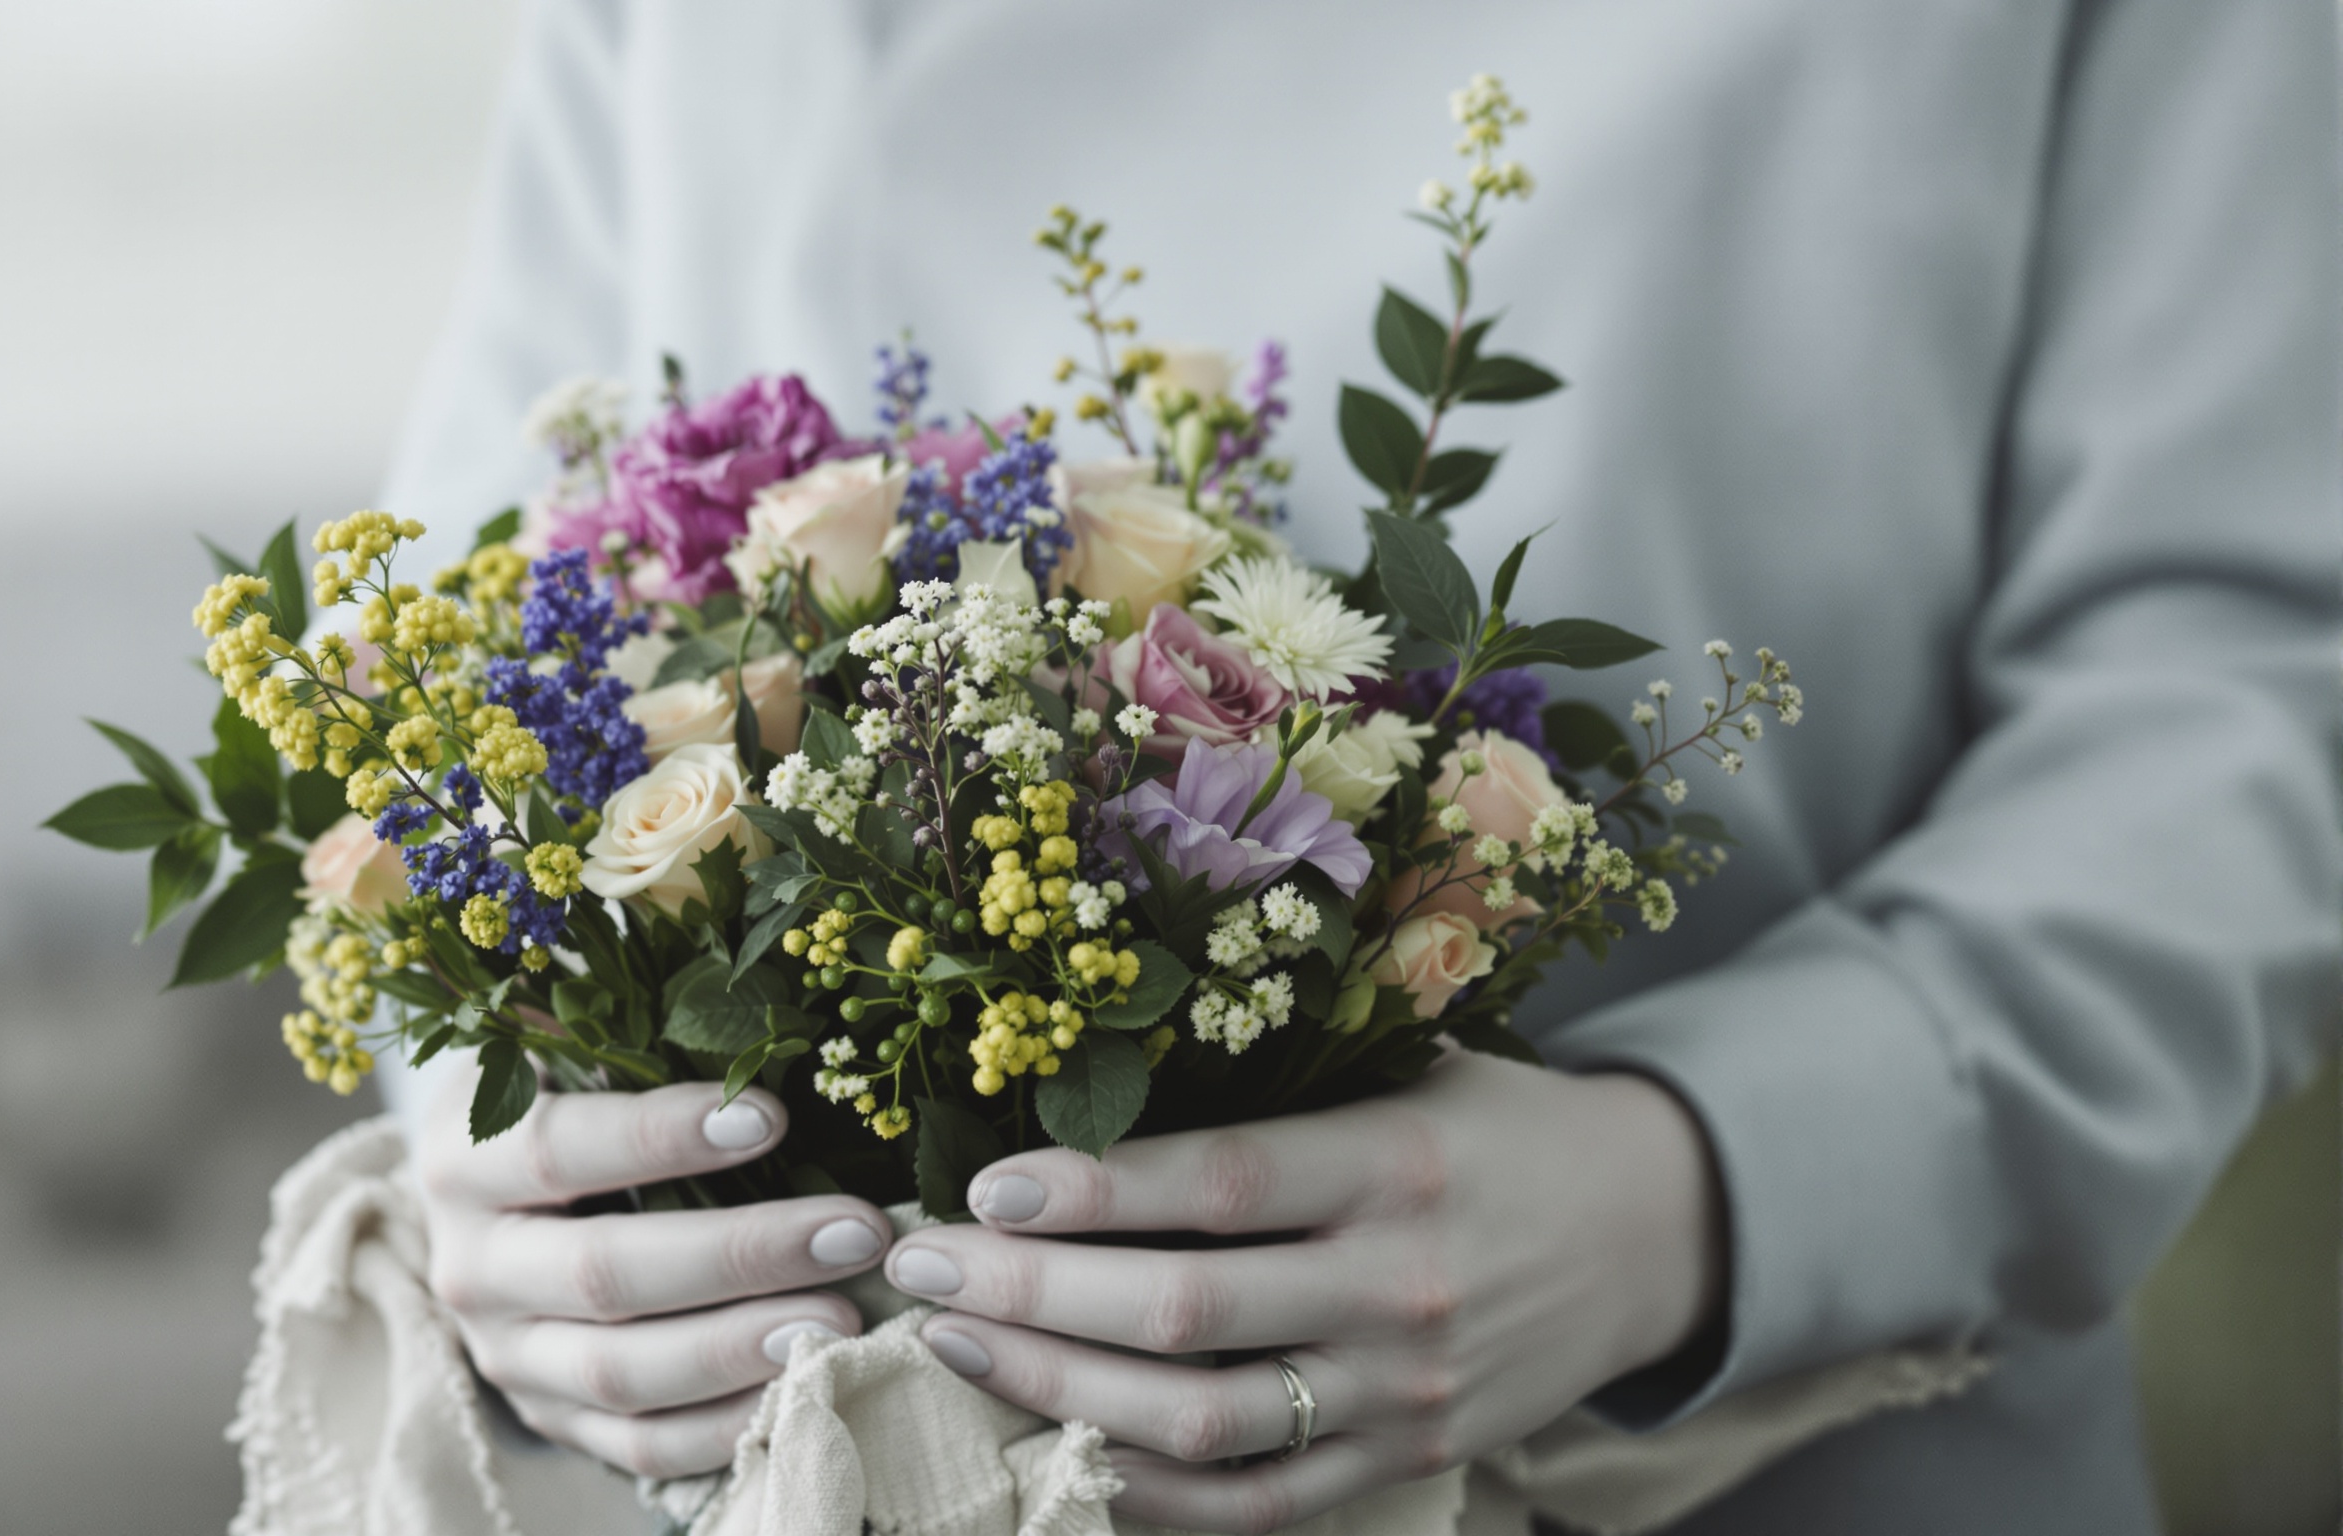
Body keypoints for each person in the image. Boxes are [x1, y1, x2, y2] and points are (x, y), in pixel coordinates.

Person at [374, 3, 2342, 1530]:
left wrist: (1713, 1183)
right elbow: (488, 628)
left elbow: (2238, 680)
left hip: (1751, 1456)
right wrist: (533, 1162)